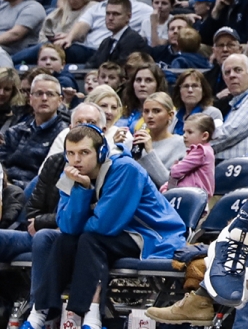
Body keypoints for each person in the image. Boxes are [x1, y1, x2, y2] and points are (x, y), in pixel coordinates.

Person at [19, 125, 186, 329]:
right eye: (70, 153)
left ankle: (92, 319)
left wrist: (82, 198)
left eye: (84, 152)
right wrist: (81, 188)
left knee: (91, 240)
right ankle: (39, 315)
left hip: (153, 236)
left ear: (101, 153)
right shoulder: (71, 174)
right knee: (65, 239)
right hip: (114, 235)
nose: (76, 160)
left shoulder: (126, 169)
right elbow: (67, 226)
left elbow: (104, 226)